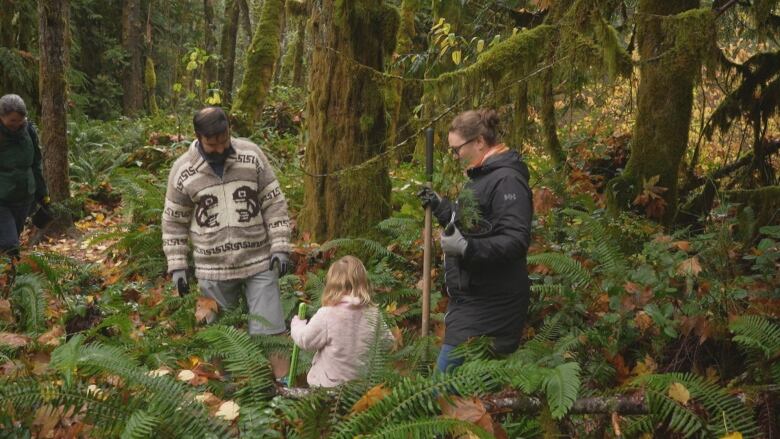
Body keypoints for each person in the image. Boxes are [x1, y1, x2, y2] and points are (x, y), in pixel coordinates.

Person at [418, 109, 533, 373]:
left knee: (441, 390)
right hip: (471, 298)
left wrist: (467, 248)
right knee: (466, 390)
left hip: (493, 303)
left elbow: (516, 240)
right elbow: (475, 225)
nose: (455, 156)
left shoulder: (507, 181)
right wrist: (440, 207)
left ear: (479, 141)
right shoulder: (482, 176)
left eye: (457, 149)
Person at [162, 107, 292, 338]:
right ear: (198, 137)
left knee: (271, 333)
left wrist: (280, 246)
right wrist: (178, 266)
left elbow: (273, 202)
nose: (221, 148)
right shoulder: (182, 171)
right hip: (212, 268)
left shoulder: (252, 155)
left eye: (224, 140)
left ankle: (279, 376)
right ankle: (222, 376)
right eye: (212, 145)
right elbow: (174, 221)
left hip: (259, 260)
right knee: (220, 337)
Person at [290, 255, 393, 387]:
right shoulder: (373, 313)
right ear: (363, 283)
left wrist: (297, 325)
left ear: (331, 285)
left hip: (327, 389)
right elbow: (388, 342)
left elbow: (306, 340)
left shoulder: (327, 314)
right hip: (362, 388)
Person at [0, 94, 50, 261]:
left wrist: (43, 195)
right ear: (1, 117)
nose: (16, 125)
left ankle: (10, 278)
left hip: (24, 198)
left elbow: (36, 164)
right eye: (12, 121)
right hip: (2, 199)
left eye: (19, 120)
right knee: (10, 244)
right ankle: (10, 282)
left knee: (12, 241)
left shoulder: (29, 130)